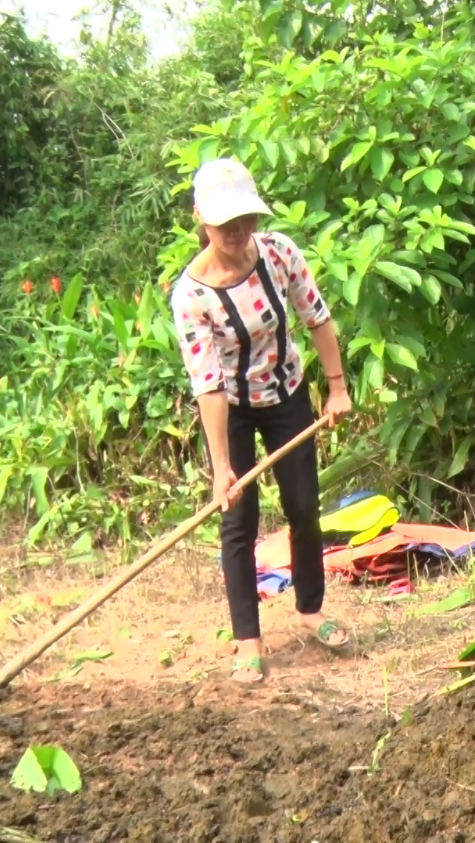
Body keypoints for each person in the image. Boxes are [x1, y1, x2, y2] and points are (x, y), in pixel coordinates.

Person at [169, 157, 354, 683]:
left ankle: (310, 609)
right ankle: (248, 639)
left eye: (246, 219)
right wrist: (221, 467)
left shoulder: (278, 253)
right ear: (201, 218)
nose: (239, 232)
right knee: (238, 520)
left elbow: (316, 316)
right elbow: (207, 383)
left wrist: (337, 387)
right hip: (231, 406)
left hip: (286, 392)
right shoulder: (191, 296)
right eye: (227, 223)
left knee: (302, 505)